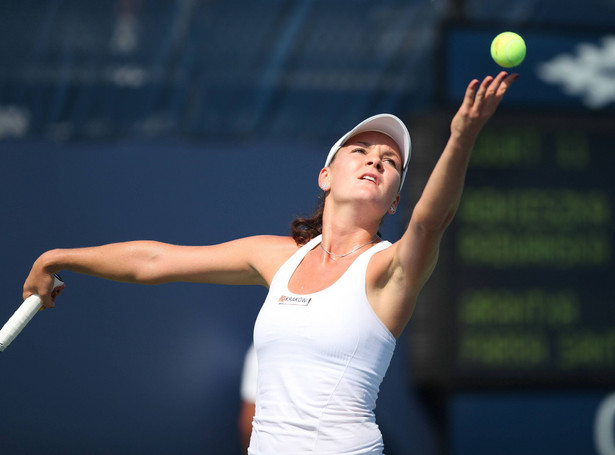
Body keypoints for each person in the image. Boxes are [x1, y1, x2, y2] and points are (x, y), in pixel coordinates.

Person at [23, 72, 517, 454]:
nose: (375, 162)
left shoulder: (389, 269)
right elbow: (154, 260)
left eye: (390, 164)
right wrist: (57, 257)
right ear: (326, 176)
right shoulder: (275, 255)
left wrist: (462, 136)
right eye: (362, 151)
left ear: (393, 203)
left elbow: (431, 221)